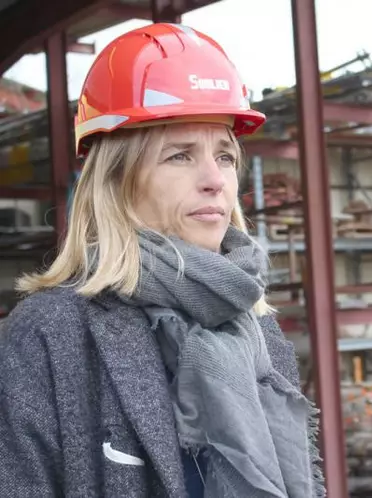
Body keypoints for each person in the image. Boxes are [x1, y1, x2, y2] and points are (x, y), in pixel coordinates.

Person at [0, 23, 324, 498]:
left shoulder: (253, 326)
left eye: (226, 157)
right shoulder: (49, 334)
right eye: (180, 156)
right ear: (116, 181)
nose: (215, 180)